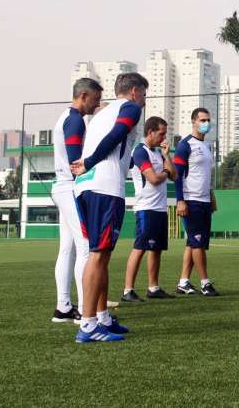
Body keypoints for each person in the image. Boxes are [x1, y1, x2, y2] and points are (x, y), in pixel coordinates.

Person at [69, 72, 146, 343]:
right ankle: (88, 324)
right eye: (144, 94)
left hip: (85, 187)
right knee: (98, 255)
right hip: (104, 185)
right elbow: (116, 135)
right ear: (135, 91)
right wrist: (90, 161)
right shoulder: (131, 108)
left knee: (99, 255)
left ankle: (101, 316)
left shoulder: (101, 112)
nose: (144, 100)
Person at [50, 77, 103, 323]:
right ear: (83, 96)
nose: (97, 104)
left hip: (62, 187)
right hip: (70, 188)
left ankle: (63, 307)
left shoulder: (66, 117)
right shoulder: (74, 121)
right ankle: (84, 309)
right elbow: (76, 162)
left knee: (67, 248)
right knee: (85, 247)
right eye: (95, 99)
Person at [122, 116, 176, 302]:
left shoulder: (159, 152)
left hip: (160, 208)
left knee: (156, 249)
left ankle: (153, 287)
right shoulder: (140, 152)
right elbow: (153, 179)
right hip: (146, 208)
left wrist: (167, 155)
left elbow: (174, 175)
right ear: (150, 132)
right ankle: (128, 290)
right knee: (140, 248)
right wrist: (166, 173)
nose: (163, 137)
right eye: (161, 133)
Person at [174, 108, 219, 297]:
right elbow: (177, 175)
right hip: (190, 200)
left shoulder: (206, 146)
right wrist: (180, 200)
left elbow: (205, 175)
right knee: (198, 244)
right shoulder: (185, 145)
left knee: (193, 243)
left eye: (208, 120)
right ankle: (205, 283)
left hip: (204, 200)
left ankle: (183, 282)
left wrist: (211, 196)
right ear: (193, 121)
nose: (205, 123)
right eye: (202, 120)